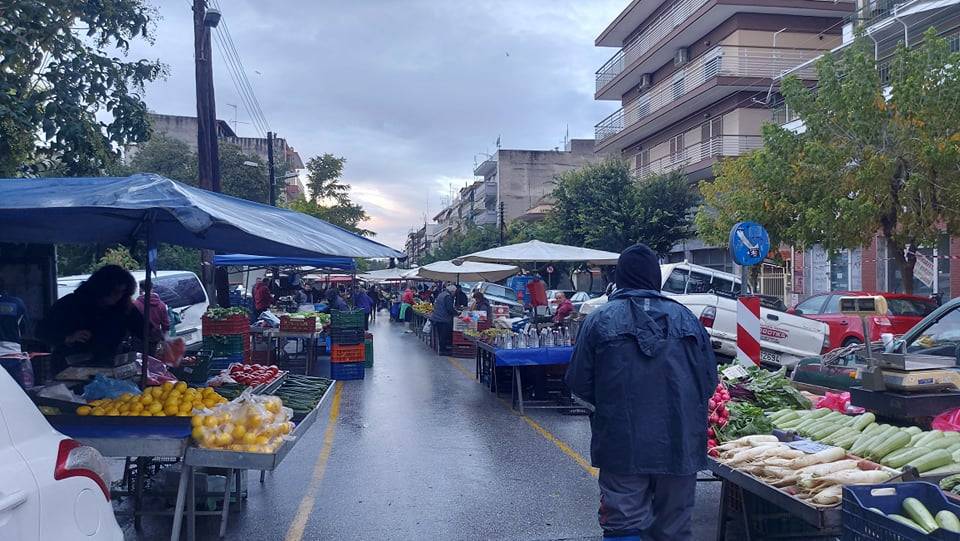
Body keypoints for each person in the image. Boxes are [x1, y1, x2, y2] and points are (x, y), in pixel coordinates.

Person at [565, 244, 717, 541]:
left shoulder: (598, 320)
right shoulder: (688, 319)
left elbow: (579, 383)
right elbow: (708, 383)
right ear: (654, 278)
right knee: (674, 528)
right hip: (680, 444)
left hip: (621, 444)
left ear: (620, 278)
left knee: (623, 523)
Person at [38, 265, 145, 368]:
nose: (118, 296)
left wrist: (152, 334)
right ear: (102, 289)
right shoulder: (70, 303)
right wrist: (68, 337)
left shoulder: (124, 307)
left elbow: (143, 330)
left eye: (123, 292)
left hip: (108, 365)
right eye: (115, 291)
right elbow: (42, 331)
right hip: (69, 366)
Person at [429, 284, 457, 355]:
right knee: (444, 334)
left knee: (441, 334)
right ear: (452, 291)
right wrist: (457, 313)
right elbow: (449, 309)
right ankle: (443, 350)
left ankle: (442, 348)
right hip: (443, 318)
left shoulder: (441, 294)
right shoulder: (447, 296)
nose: (455, 293)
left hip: (437, 317)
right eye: (454, 292)